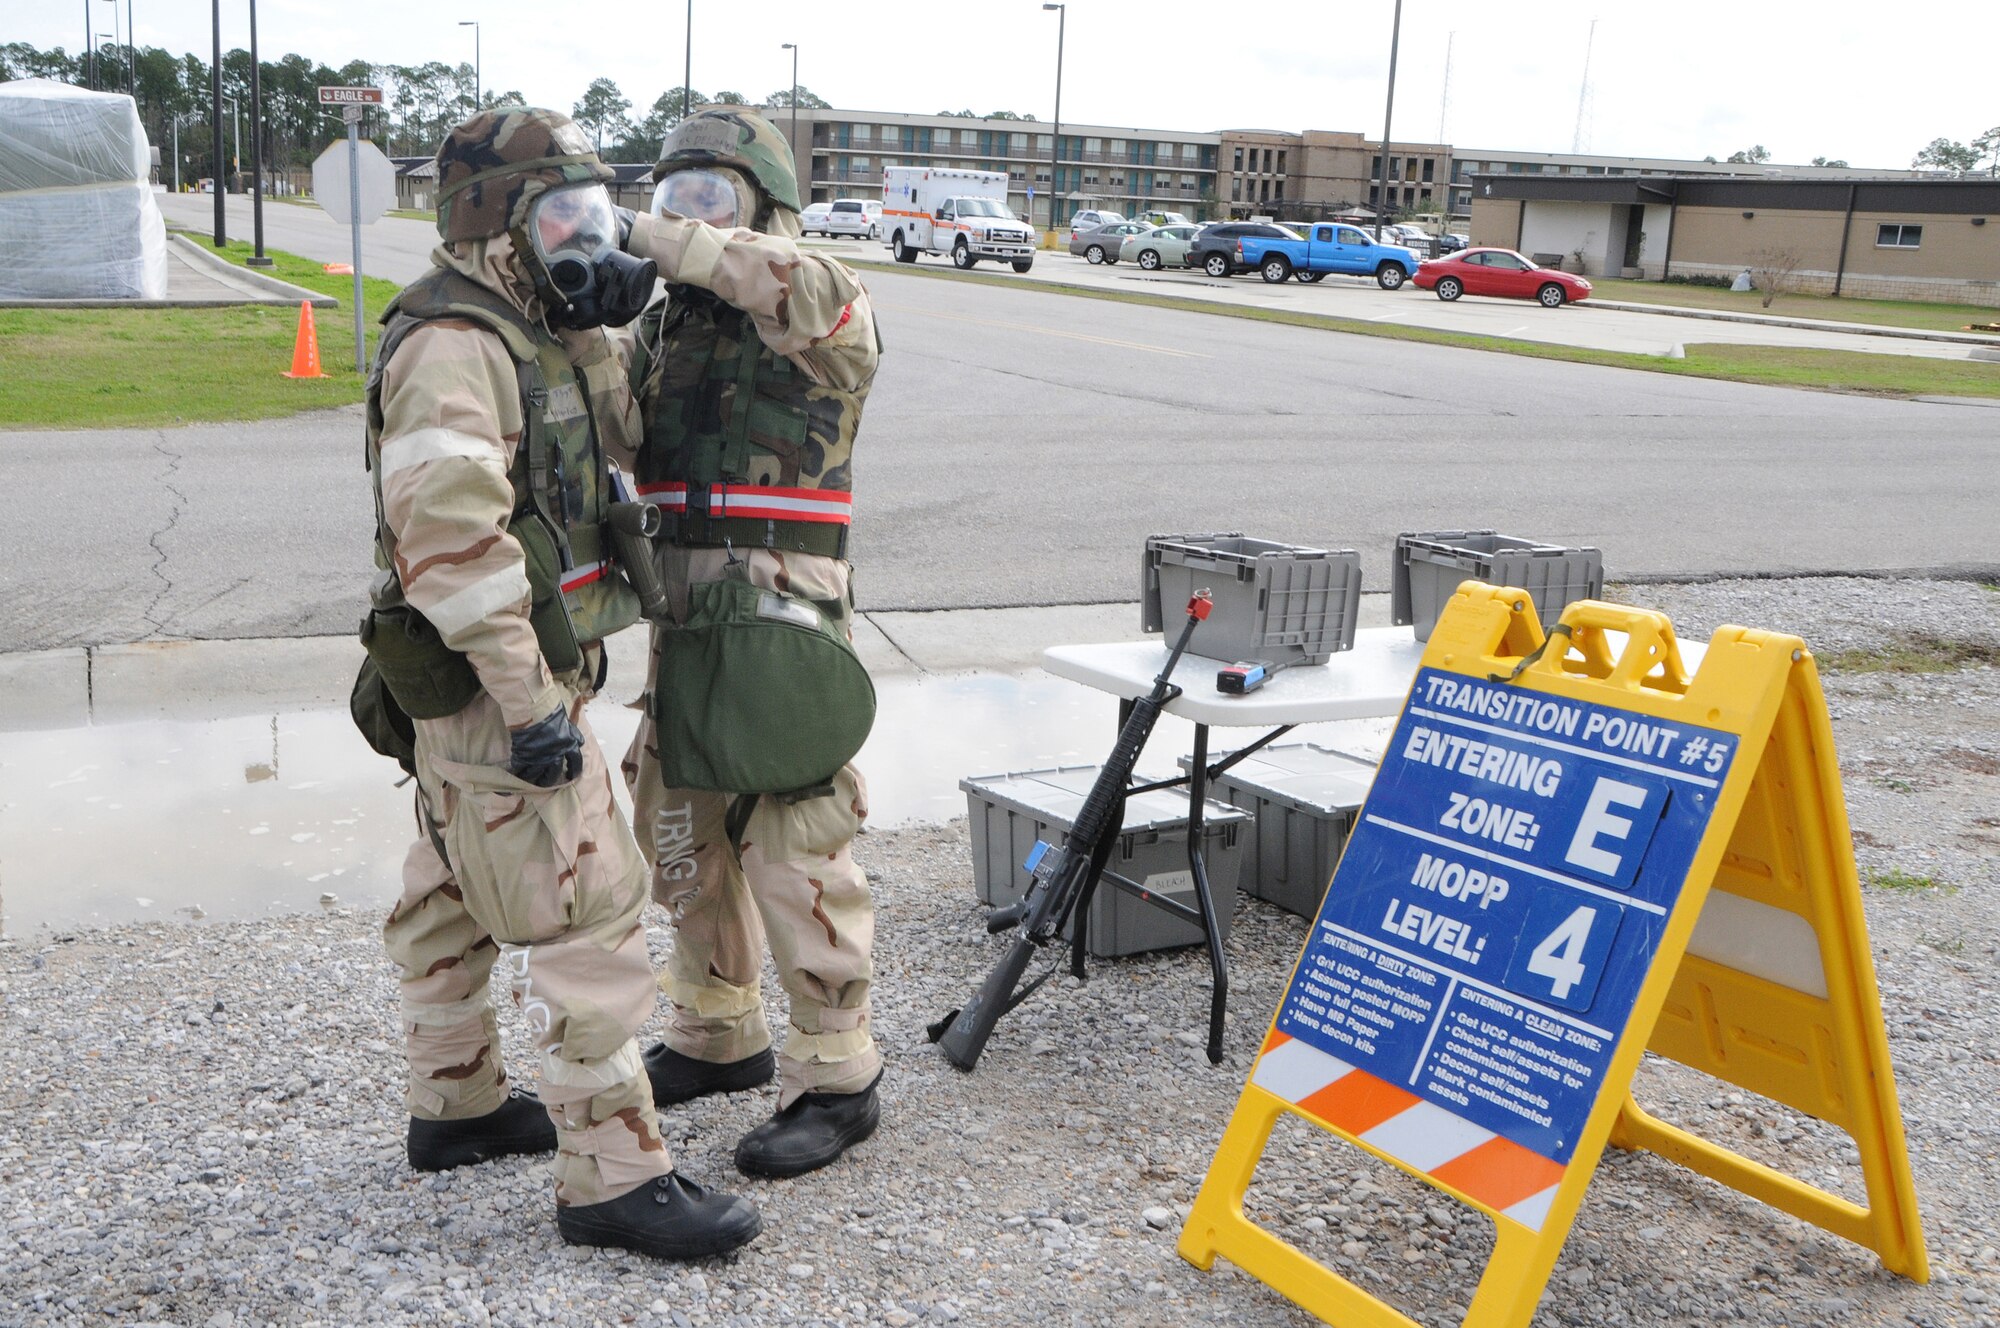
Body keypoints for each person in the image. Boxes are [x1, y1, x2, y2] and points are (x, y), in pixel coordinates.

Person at [364, 105, 759, 1260]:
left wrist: (598, 327)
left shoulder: (528, 326)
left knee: (448, 883)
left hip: (499, 681)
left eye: (591, 209)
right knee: (591, 905)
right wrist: (535, 706)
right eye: (561, 214)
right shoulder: (455, 343)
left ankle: (457, 1105)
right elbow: (451, 537)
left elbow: (614, 447)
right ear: (497, 224)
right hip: (502, 684)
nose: (586, 233)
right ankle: (613, 1174)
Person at [617, 107, 885, 1178]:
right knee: (678, 827)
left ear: (762, 207)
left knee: (795, 839)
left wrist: (646, 232)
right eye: (672, 191)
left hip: (780, 604)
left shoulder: (822, 294)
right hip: (681, 605)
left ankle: (838, 1076)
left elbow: (786, 285)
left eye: (709, 196)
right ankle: (717, 1031)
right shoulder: (663, 328)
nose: (685, 216)